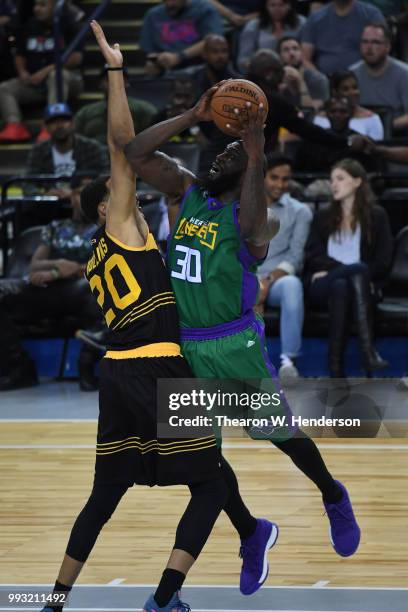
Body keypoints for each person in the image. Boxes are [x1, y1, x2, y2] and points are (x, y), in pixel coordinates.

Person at [123, 78, 361, 579]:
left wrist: (255, 154)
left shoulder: (248, 217)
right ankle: (252, 532)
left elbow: (255, 228)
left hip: (233, 344)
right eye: (225, 146)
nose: (221, 152)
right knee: (199, 461)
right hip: (186, 346)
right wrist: (192, 115)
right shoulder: (188, 191)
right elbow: (135, 151)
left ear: (245, 168)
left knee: (280, 434)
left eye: (231, 150)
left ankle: (333, 494)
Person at [39, 21, 228, 612]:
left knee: (105, 494)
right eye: (129, 200)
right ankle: (164, 598)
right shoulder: (118, 227)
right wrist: (115, 70)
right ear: (106, 207)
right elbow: (125, 148)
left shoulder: (96, 255)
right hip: (160, 370)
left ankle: (52, 600)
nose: (141, 203)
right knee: (214, 484)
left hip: (117, 375)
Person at [0, 175, 101, 392]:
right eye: (80, 192)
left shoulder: (105, 228)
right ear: (71, 195)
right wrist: (57, 266)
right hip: (50, 290)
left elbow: (109, 264)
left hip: (85, 289)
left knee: (96, 290)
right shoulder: (55, 227)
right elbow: (34, 266)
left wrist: (66, 270)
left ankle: (87, 367)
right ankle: (19, 366)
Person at [304, 158, 393, 377]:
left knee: (343, 285)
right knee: (357, 270)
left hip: (359, 287)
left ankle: (335, 368)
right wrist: (349, 270)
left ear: (357, 182)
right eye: (332, 179)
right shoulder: (322, 215)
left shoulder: (377, 216)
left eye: (340, 179)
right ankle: (368, 352)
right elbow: (313, 256)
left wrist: (344, 273)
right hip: (321, 285)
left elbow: (383, 262)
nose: (333, 184)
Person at [256, 155, 312, 380]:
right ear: (262, 177)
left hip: (276, 279)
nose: (280, 184)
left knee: (292, 285)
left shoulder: (300, 211)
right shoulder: (241, 206)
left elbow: (295, 257)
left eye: (285, 179)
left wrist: (266, 282)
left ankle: (288, 361)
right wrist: (252, 283)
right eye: (274, 178)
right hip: (244, 274)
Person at [0, 0, 83, 142]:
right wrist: (22, 72)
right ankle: (14, 125)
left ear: (55, 6)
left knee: (56, 75)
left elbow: (76, 58)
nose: (37, 9)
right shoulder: (29, 26)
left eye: (43, 5)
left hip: (68, 81)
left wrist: (46, 71)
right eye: (36, 5)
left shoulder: (68, 24)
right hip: (36, 84)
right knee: (5, 88)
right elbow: (20, 55)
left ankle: (52, 124)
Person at [26, 103, 108, 199]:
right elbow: (27, 183)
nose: (59, 125)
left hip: (85, 202)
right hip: (49, 206)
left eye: (64, 120)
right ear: (45, 127)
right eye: (53, 122)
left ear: (72, 123)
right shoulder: (38, 151)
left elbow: (106, 177)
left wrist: (79, 191)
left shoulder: (92, 148)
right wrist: (44, 195)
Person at [74, 66, 157, 146]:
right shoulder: (85, 112)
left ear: (127, 83)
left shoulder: (144, 110)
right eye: (108, 79)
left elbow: (154, 138)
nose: (113, 82)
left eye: (118, 79)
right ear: (100, 84)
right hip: (94, 157)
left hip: (132, 156)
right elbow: (75, 140)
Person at [139, 0, 224, 76]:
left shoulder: (204, 9)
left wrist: (178, 57)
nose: (170, 4)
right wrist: (154, 62)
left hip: (200, 70)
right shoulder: (153, 15)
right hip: (166, 71)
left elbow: (213, 41)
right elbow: (150, 50)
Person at [300, 0, 385, 75]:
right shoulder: (315, 18)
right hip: (325, 81)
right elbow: (305, 58)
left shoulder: (371, 14)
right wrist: (320, 80)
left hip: (363, 80)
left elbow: (381, 50)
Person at [350, 23, 408, 133]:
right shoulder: (352, 74)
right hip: (358, 133)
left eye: (376, 42)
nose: (369, 47)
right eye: (365, 42)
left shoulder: (405, 74)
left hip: (396, 134)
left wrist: (382, 126)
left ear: (388, 47)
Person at [237, 0, 306, 74]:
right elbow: (243, 60)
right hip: (262, 73)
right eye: (273, 5)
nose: (277, 9)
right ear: (266, 6)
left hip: (296, 71)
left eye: (281, 5)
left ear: (289, 5)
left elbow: (307, 55)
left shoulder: (301, 23)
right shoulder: (253, 26)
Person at [313, 70, 384, 140]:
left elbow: (375, 148)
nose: (352, 93)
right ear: (334, 92)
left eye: (355, 88)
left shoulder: (372, 119)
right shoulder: (319, 119)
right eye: (345, 89)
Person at [277, 35, 329, 108]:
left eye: (295, 49)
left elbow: (313, 110)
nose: (292, 53)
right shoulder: (274, 80)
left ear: (301, 53)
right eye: (286, 50)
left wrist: (300, 82)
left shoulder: (317, 79)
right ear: (279, 55)